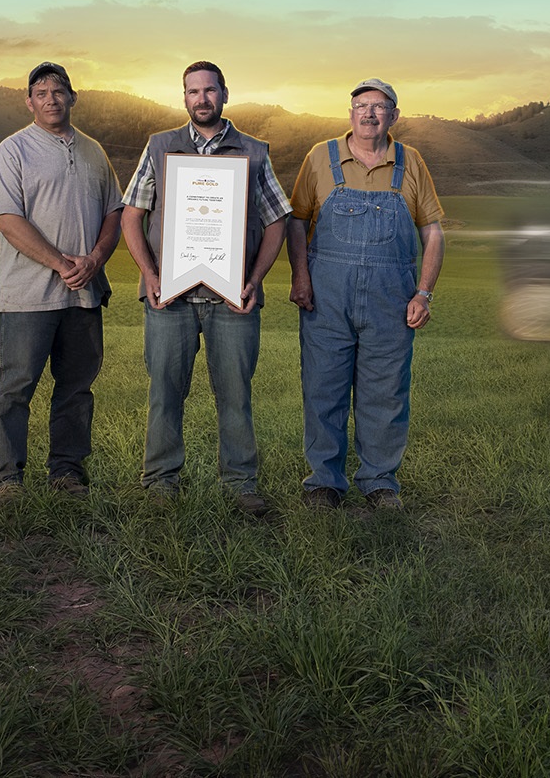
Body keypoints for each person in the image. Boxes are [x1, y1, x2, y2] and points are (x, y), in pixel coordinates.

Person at [120, 61, 291, 514]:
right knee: (164, 393)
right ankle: (160, 484)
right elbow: (132, 215)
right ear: (184, 98)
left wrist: (254, 280)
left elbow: (277, 220)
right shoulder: (160, 148)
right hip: (168, 299)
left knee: (235, 395)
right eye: (193, 91)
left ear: (224, 93)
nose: (202, 99)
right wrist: (151, 276)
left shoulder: (253, 151)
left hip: (232, 302)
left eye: (210, 90)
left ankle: (241, 486)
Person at [288, 78, 445, 509]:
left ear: (394, 116)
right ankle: (324, 481)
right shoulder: (321, 157)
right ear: (350, 112)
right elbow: (298, 222)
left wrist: (423, 293)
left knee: (386, 391)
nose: (370, 113)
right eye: (361, 105)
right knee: (323, 387)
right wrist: (300, 278)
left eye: (380, 106)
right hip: (327, 297)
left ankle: (379, 482)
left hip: (390, 301)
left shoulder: (411, 163)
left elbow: (432, 232)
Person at [0, 61, 123, 499]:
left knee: (76, 387)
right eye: (41, 92)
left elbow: (114, 213)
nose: (51, 99)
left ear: (72, 97)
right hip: (27, 296)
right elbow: (7, 219)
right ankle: (7, 478)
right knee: (16, 386)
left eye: (58, 91)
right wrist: (63, 263)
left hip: (84, 295)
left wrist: (96, 258)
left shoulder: (94, 151)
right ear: (29, 102)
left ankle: (66, 473)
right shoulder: (13, 150)